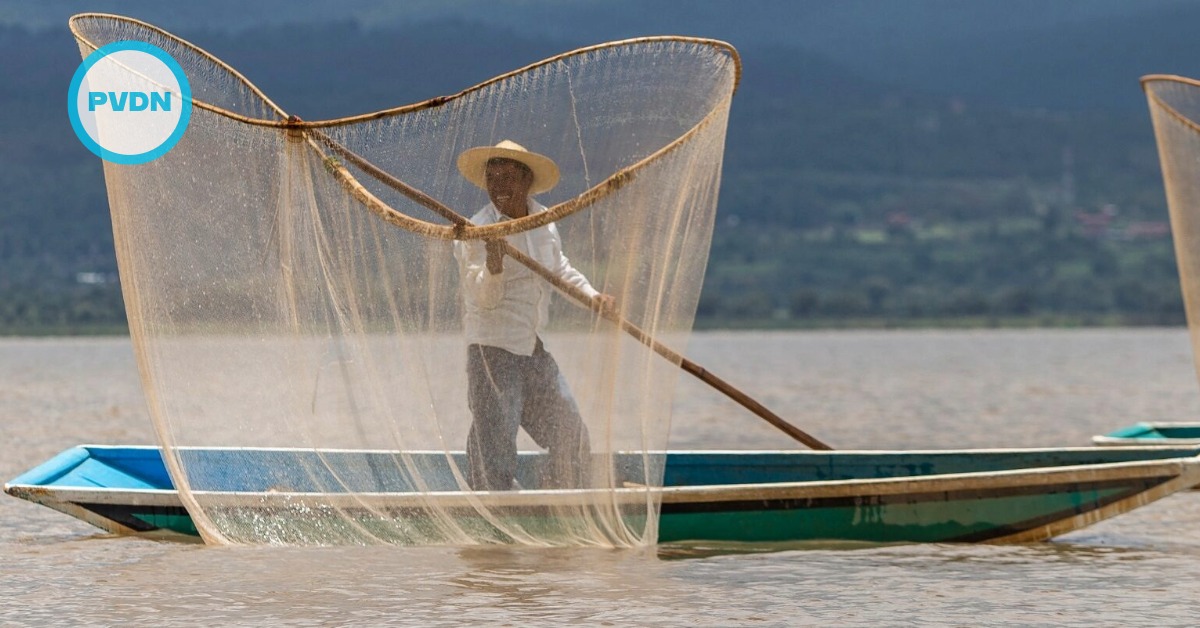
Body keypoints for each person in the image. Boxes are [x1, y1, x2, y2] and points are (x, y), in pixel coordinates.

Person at [453, 140, 615, 491]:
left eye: (508, 177)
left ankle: (557, 505)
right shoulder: (476, 230)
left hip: (529, 347)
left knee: (570, 434)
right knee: (494, 449)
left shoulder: (543, 221)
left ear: (526, 182)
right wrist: (494, 266)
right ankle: (491, 509)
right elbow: (482, 297)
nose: (500, 187)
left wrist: (592, 297)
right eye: (492, 178)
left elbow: (559, 269)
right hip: (491, 351)